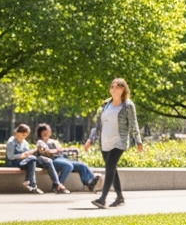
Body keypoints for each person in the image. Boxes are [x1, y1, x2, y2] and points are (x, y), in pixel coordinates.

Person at [84, 78, 143, 209]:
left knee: (110, 167)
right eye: (112, 86)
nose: (113, 89)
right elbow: (98, 124)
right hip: (105, 141)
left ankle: (102, 199)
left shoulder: (128, 105)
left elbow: (133, 124)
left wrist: (138, 140)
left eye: (117, 87)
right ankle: (120, 197)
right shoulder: (105, 104)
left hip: (119, 141)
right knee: (112, 169)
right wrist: (90, 139)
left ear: (123, 89)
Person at [34, 123, 100, 192]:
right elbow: (47, 152)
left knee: (82, 165)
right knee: (68, 165)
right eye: (48, 129)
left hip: (61, 158)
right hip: (52, 160)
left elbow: (60, 149)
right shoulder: (40, 142)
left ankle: (89, 182)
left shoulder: (53, 141)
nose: (49, 131)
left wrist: (61, 149)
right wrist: (56, 150)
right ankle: (58, 186)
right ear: (42, 132)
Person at [6, 124, 64, 194]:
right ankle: (32, 185)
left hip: (27, 160)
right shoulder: (11, 142)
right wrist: (22, 155)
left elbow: (27, 153)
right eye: (22, 135)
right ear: (17, 133)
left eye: (25, 135)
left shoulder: (24, 142)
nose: (23, 137)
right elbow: (10, 156)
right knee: (32, 159)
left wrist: (34, 151)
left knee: (48, 161)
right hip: (15, 162)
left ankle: (56, 184)